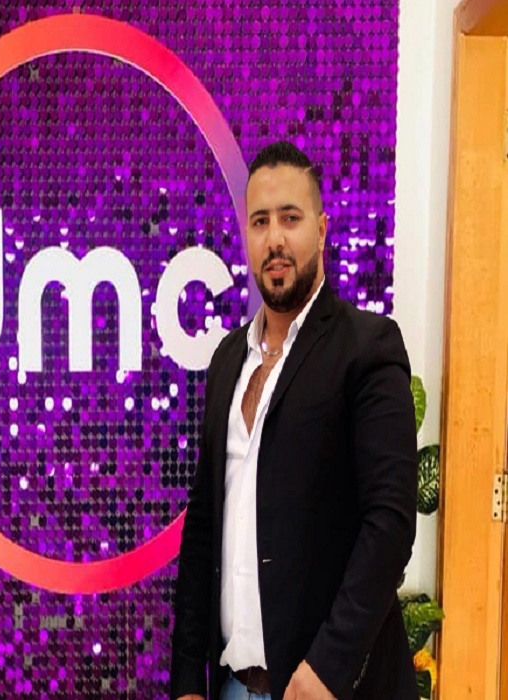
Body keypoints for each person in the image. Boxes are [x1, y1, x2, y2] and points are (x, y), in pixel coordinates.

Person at [170, 141, 419, 700]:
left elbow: (390, 522)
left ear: (322, 230)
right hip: (233, 684)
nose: (275, 239)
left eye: (290, 218)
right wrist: (187, 677)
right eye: (260, 221)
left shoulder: (368, 347)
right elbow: (204, 524)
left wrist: (328, 667)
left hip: (329, 687)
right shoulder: (228, 360)